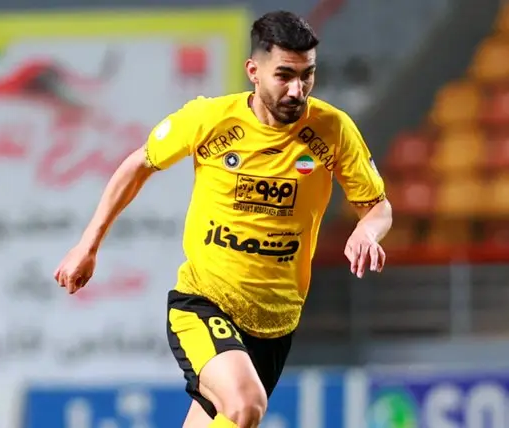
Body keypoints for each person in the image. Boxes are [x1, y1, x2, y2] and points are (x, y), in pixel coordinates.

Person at [54, 10, 392, 428]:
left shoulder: (333, 130)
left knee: (231, 417)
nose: (297, 89)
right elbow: (138, 165)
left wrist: (366, 231)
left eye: (307, 75)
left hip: (276, 323)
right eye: (284, 75)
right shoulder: (210, 119)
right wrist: (87, 245)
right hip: (205, 303)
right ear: (253, 71)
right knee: (246, 405)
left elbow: (377, 206)